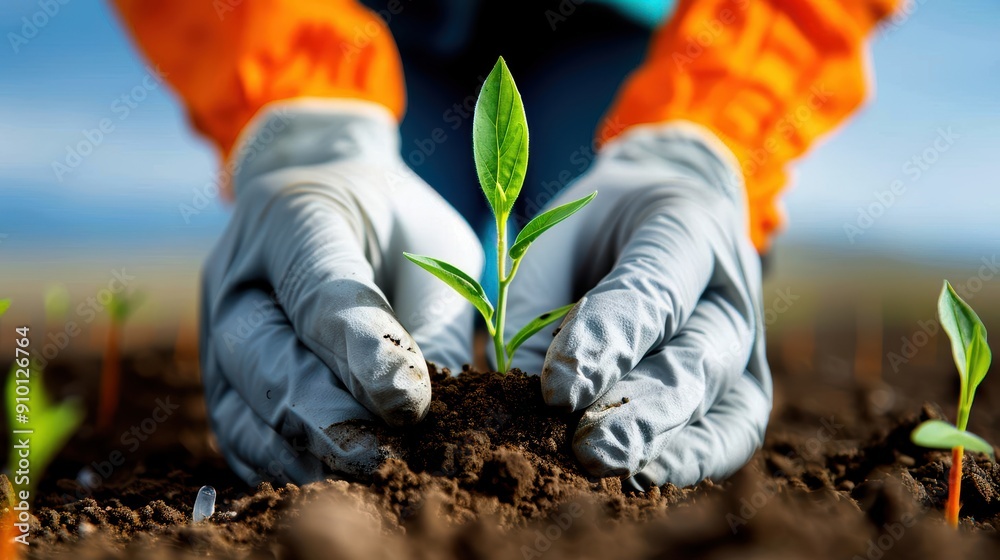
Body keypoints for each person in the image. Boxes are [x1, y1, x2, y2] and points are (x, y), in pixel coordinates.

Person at [110, 0, 899, 489]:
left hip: (643, 30)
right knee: (363, 303)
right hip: (363, 25)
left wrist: (709, 142)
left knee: (620, 281)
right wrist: (299, 125)